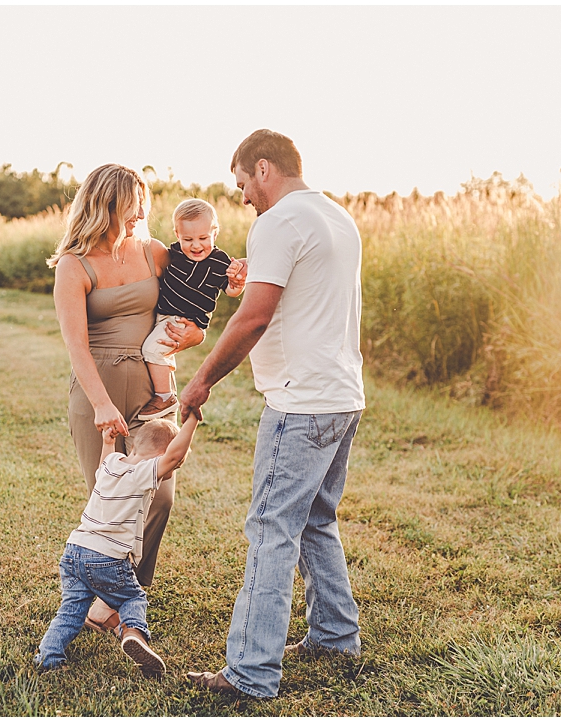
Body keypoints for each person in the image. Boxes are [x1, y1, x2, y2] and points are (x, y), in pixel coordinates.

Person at [179, 130, 367, 698]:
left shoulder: (278, 221)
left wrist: (201, 380)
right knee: (315, 518)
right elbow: (295, 301)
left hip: (300, 403)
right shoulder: (336, 216)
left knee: (270, 529)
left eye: (242, 183)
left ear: (263, 168)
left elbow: (254, 318)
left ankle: (250, 672)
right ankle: (334, 636)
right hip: (342, 394)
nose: (242, 197)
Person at [47, 163, 205, 634]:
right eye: (133, 206)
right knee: (111, 500)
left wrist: (193, 336)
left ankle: (112, 600)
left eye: (143, 205)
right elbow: (76, 346)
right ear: (107, 205)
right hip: (98, 392)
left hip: (153, 394)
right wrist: (101, 404)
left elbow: (192, 308)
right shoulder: (74, 265)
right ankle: (110, 603)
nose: (141, 214)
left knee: (161, 495)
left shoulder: (154, 253)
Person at [34, 415, 200, 675]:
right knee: (133, 597)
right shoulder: (141, 473)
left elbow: (103, 464)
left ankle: (49, 657)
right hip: (107, 557)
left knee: (71, 611)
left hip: (75, 550)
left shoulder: (112, 464)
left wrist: (108, 442)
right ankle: (133, 632)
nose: (172, 470)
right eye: (175, 466)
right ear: (160, 457)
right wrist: (193, 419)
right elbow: (173, 455)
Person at [137, 198, 247, 421]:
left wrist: (237, 283)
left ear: (214, 233)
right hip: (163, 314)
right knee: (161, 354)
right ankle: (163, 392)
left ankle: (164, 397)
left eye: (203, 238)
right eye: (188, 239)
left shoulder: (219, 262)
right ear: (177, 235)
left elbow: (230, 291)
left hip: (184, 319)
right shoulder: (175, 253)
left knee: (151, 350)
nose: (196, 246)